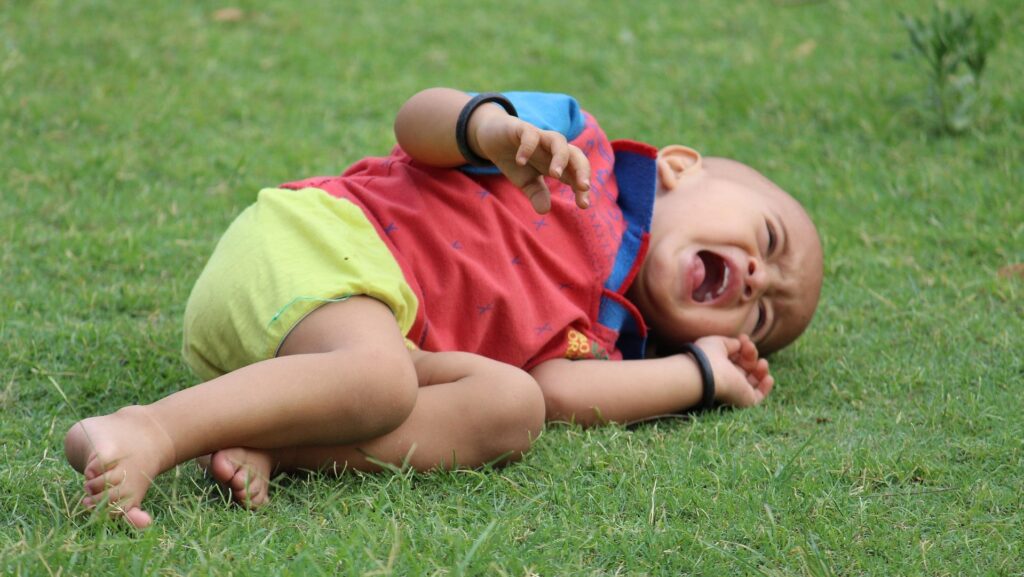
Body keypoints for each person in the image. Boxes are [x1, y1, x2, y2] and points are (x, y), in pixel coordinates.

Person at [64, 88, 823, 528]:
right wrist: (488, 128)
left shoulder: (608, 335)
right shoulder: (571, 143)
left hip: (363, 341)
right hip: (323, 246)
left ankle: (272, 438)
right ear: (681, 168)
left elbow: (559, 394)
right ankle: (150, 427)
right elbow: (415, 120)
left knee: (510, 405)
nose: (760, 281)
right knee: (383, 379)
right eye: (768, 239)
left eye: (761, 319)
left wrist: (698, 375)